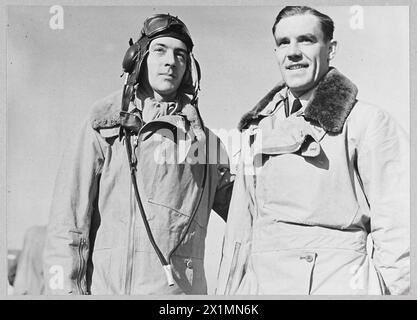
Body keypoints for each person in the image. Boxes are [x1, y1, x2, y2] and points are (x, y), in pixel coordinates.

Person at [216, 6, 409, 295]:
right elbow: (240, 236)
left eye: (306, 40)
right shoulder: (257, 132)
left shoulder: (367, 123)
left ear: (331, 49)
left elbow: (401, 230)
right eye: (284, 42)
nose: (292, 52)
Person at [43, 13, 233, 295]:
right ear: (138, 58)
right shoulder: (103, 126)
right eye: (160, 50)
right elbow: (67, 226)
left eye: (180, 55)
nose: (171, 61)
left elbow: (249, 211)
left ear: (189, 67)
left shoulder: (206, 145)